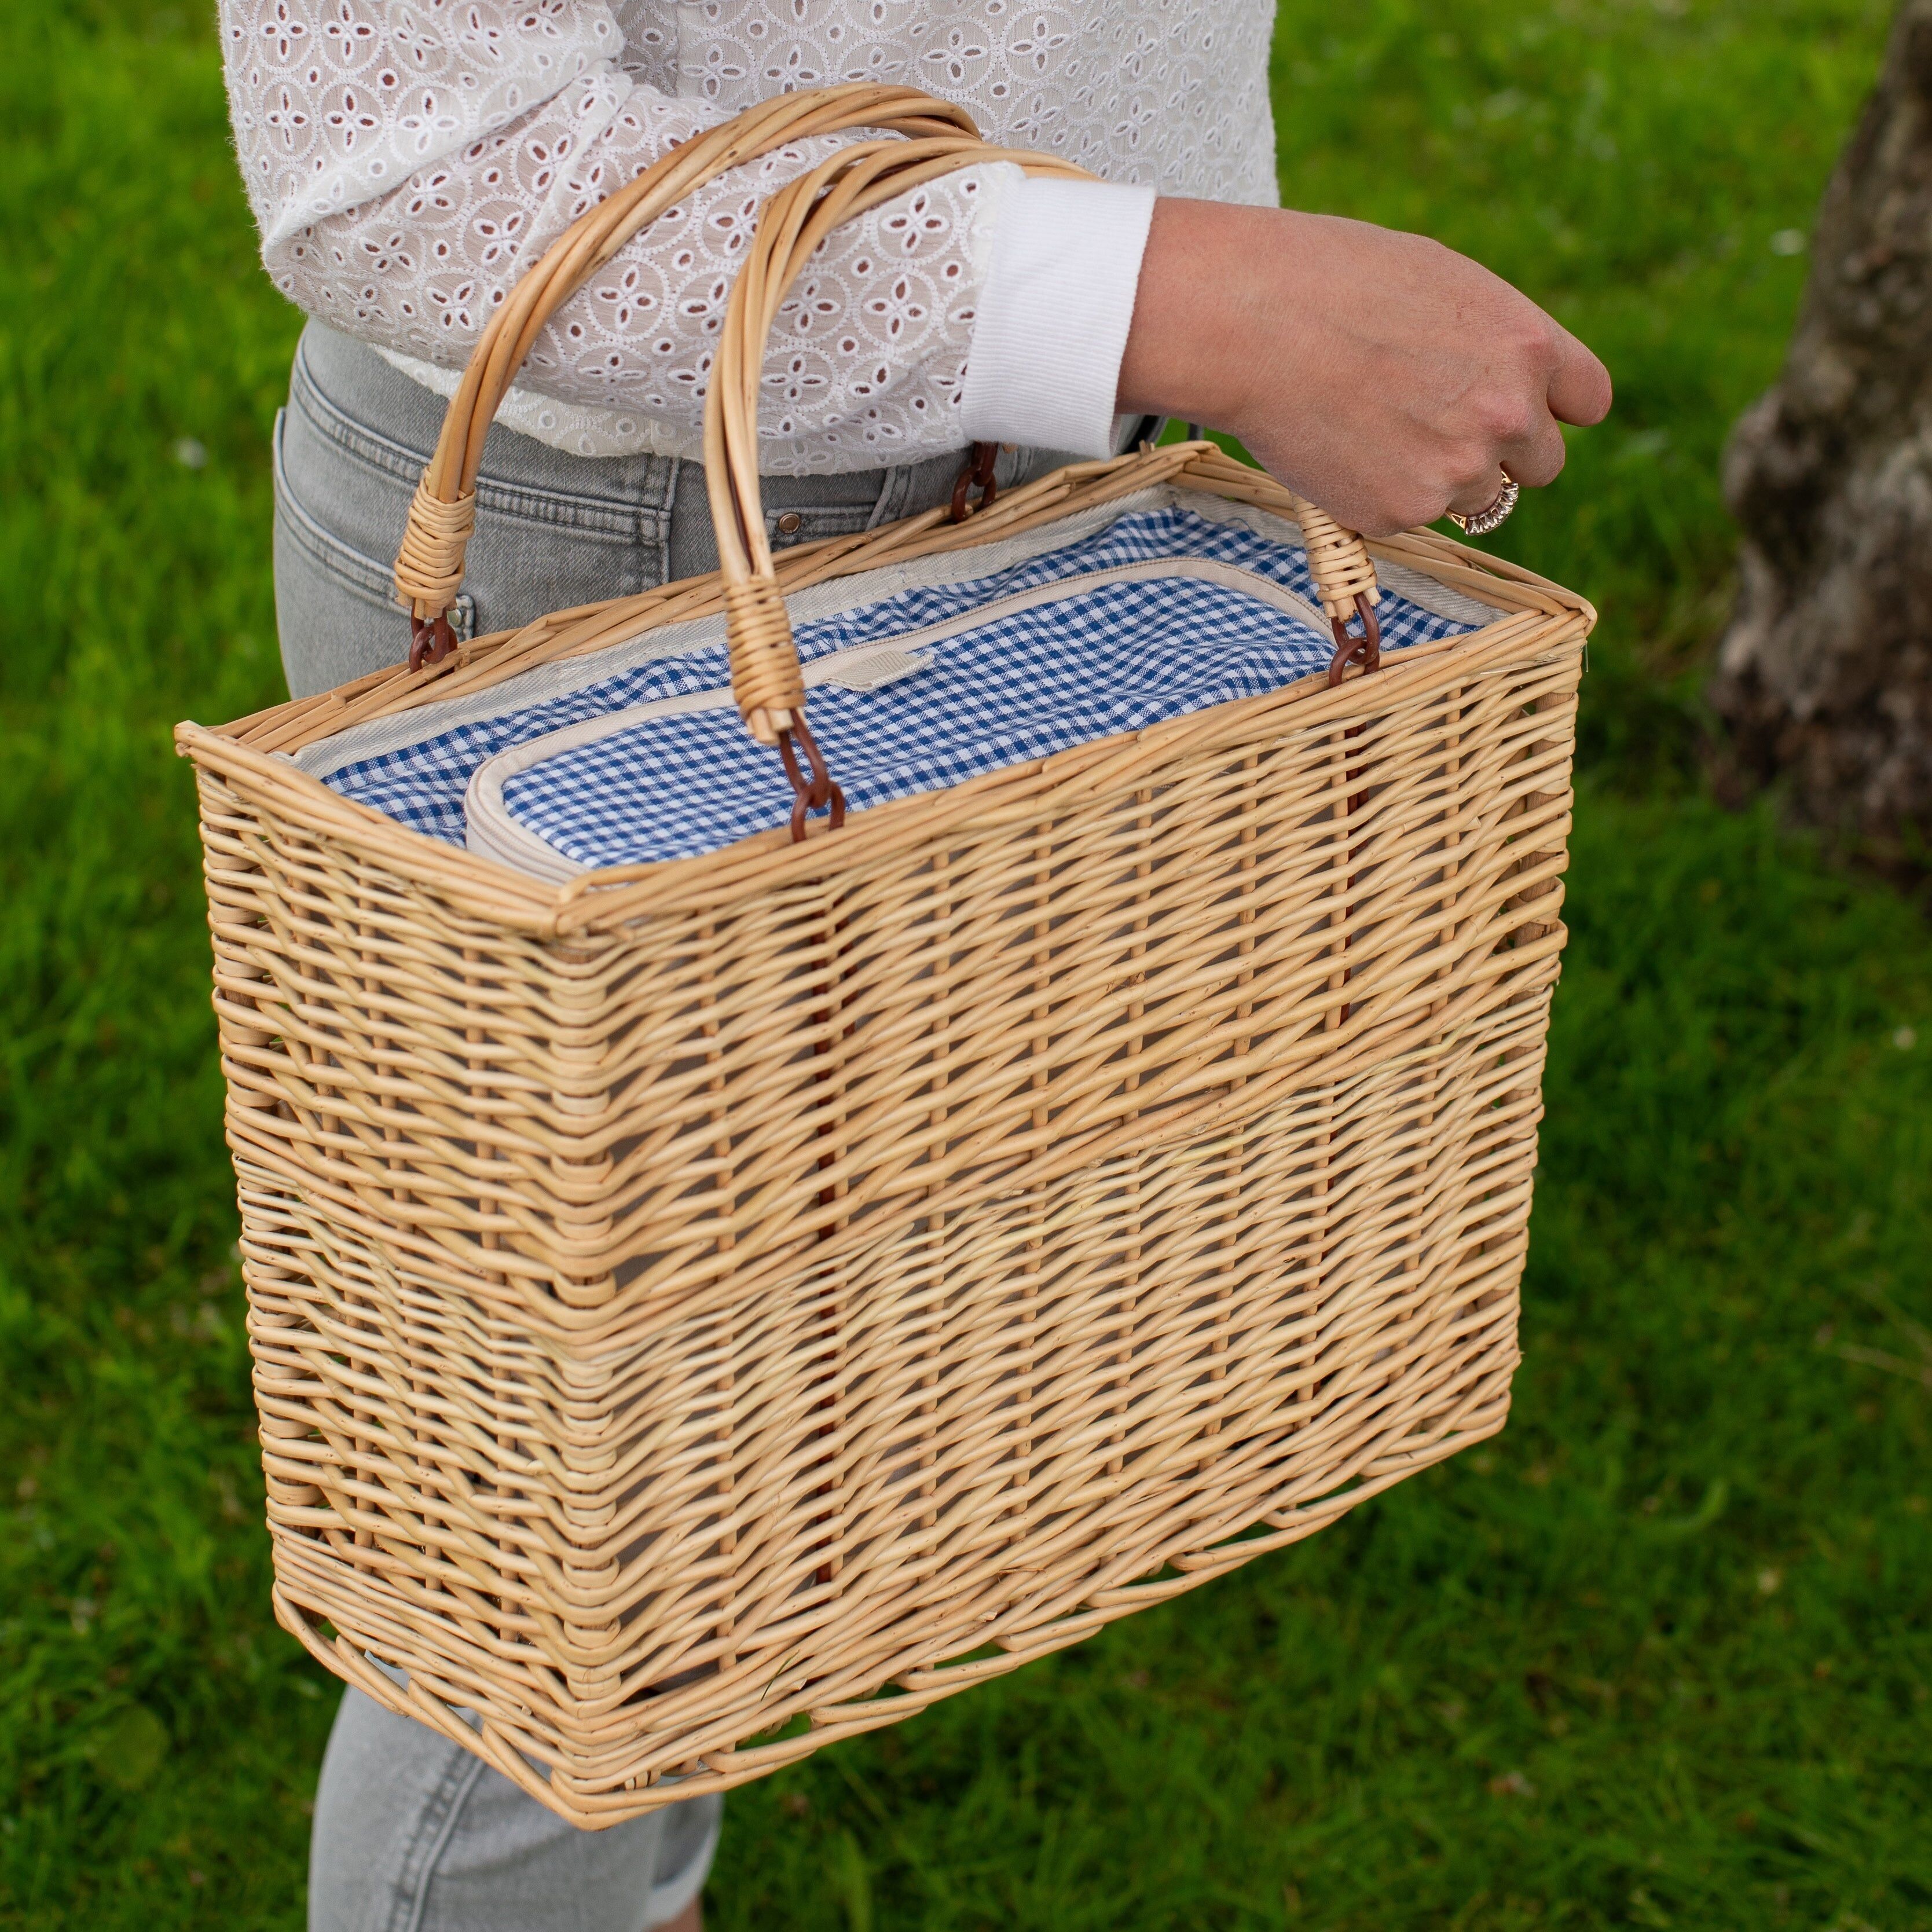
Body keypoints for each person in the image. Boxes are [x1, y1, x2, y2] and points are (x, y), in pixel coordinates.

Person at [219, 3, 1611, 1926]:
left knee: (786, 1413)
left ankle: (644, 1886)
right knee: (583, 1544)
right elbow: (398, 172)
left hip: (1052, 433)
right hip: (645, 513)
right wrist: (1190, 296)